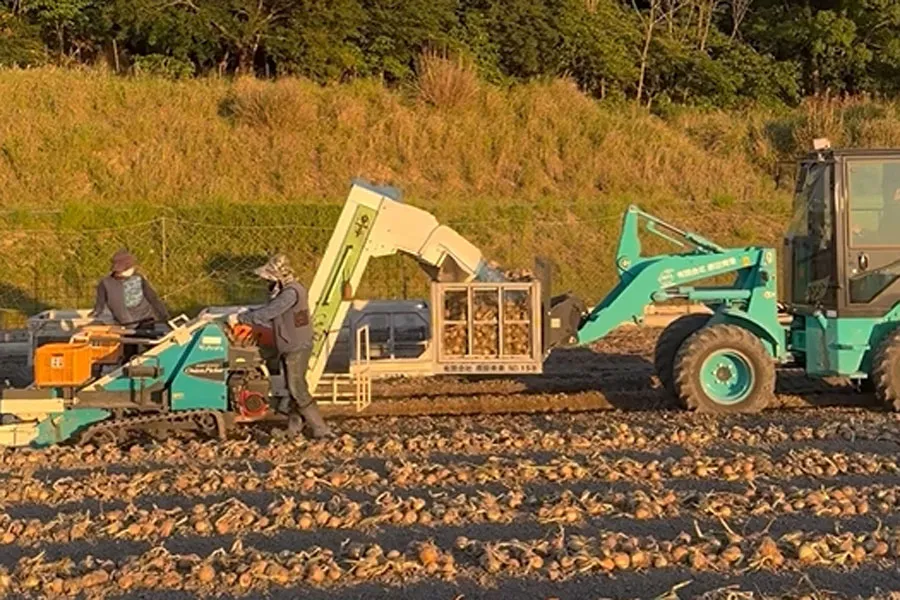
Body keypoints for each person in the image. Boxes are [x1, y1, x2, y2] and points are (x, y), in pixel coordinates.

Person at [228, 254, 334, 439]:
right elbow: (271, 312)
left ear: (278, 276)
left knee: (297, 389)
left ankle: (321, 429)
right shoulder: (291, 290)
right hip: (291, 344)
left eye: (269, 279)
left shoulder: (290, 293)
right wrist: (249, 312)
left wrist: (241, 318)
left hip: (296, 346)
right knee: (292, 390)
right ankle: (293, 430)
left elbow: (270, 312)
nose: (267, 283)